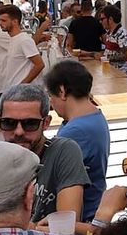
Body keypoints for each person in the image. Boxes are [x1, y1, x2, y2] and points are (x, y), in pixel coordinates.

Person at [0, 82, 90, 226]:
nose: (19, 132)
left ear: (46, 123)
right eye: (9, 123)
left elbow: (67, 226)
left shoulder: (63, 151)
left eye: (30, 123)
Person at [43, 59, 111, 221]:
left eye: (50, 95)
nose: (51, 103)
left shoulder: (75, 132)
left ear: (62, 91)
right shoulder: (95, 117)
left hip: (79, 220)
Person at [0, 4, 43, 96]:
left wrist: (22, 86)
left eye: (4, 20)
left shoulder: (23, 40)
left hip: (21, 92)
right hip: (12, 90)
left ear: (15, 21)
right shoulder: (13, 39)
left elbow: (39, 65)